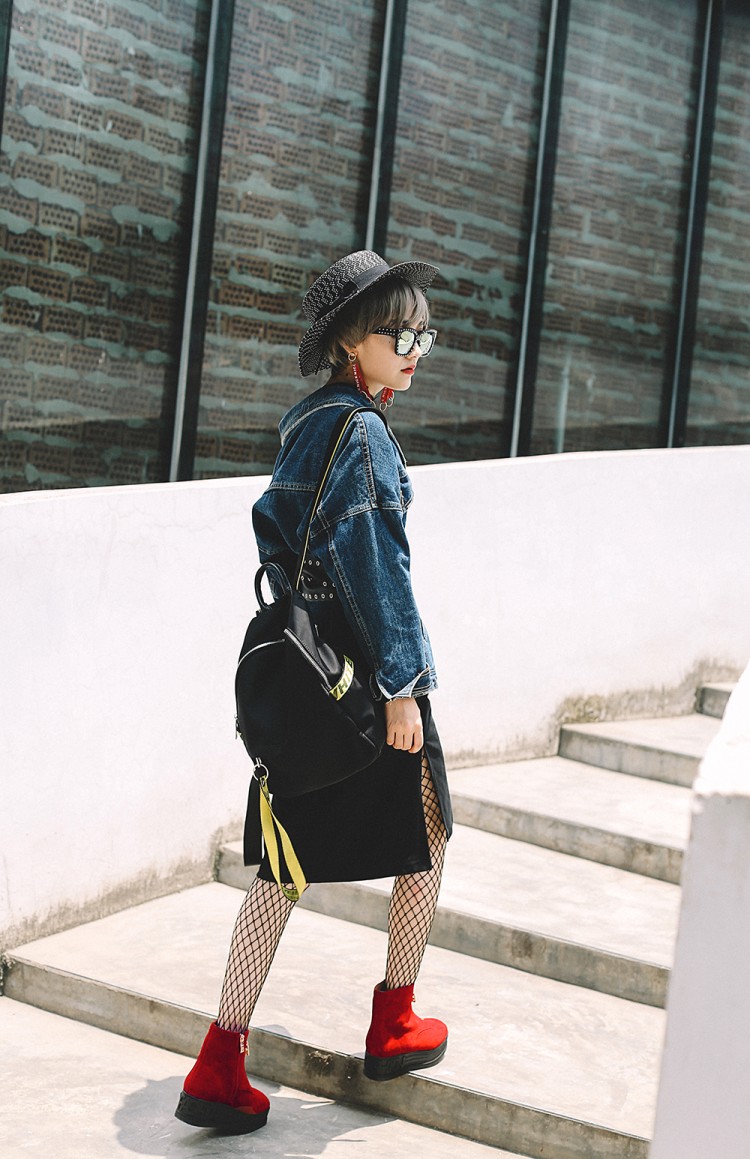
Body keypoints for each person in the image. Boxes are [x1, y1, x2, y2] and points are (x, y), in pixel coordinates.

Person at [175, 250, 453, 1135]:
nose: (414, 350)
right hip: (365, 677)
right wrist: (402, 687)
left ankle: (220, 1058)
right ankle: (395, 1018)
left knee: (282, 864)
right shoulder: (361, 434)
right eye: (399, 335)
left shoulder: (309, 423)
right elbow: (377, 567)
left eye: (423, 335)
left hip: (306, 674)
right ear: (348, 341)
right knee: (430, 827)